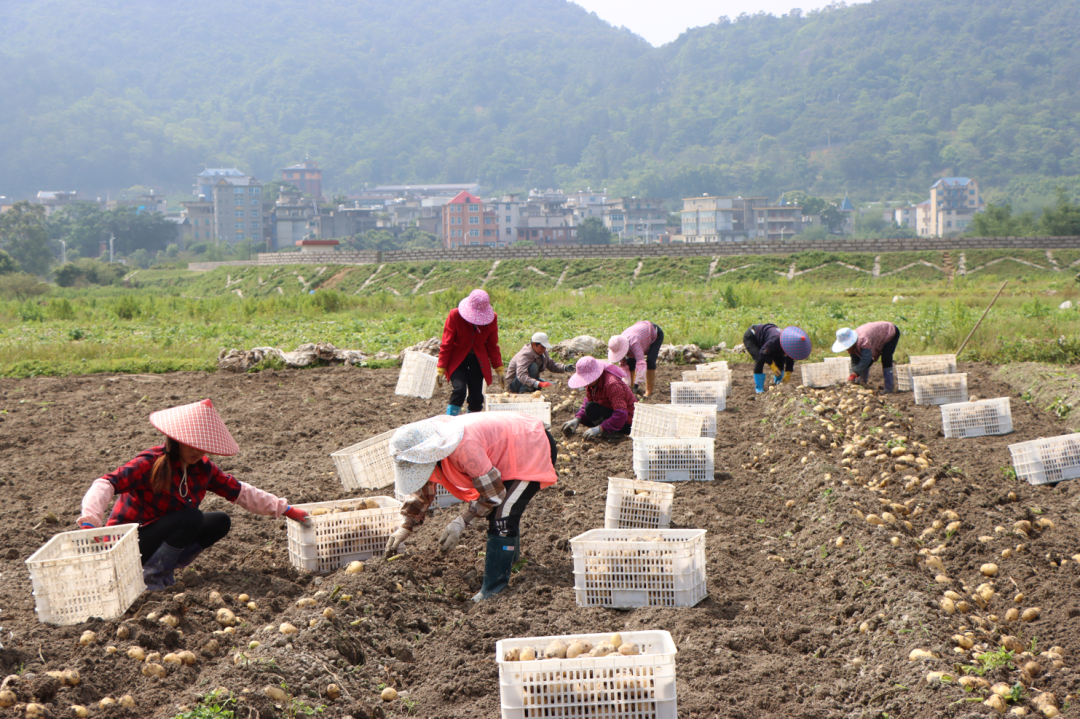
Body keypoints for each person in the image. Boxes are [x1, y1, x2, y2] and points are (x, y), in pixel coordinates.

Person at [76, 399, 312, 591]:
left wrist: (286, 509)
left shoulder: (204, 469)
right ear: (177, 439)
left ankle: (165, 566)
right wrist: (90, 521)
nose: (197, 451)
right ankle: (150, 576)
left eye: (203, 446)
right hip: (127, 544)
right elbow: (106, 483)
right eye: (192, 444)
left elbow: (240, 491)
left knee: (220, 521)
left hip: (158, 539)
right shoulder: (151, 462)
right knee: (191, 517)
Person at [383, 412, 558, 602]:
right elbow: (425, 486)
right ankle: (511, 562)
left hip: (532, 446)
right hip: (511, 449)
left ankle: (493, 589)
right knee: (500, 513)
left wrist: (461, 522)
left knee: (503, 515)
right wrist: (406, 525)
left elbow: (493, 495)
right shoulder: (434, 451)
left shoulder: (464, 449)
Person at [437, 289, 505, 415]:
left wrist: (499, 368)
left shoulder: (493, 318)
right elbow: (447, 343)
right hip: (458, 360)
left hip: (477, 361)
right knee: (459, 390)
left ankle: (472, 426)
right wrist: (441, 368)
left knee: (476, 398)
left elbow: (492, 345)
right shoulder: (455, 315)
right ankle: (449, 424)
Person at [561, 355, 636, 439]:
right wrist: (577, 419)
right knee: (585, 411)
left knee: (591, 408)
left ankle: (613, 433)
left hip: (627, 422)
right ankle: (606, 430)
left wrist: (600, 428)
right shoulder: (591, 384)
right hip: (610, 413)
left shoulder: (612, 384)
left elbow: (621, 414)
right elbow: (588, 402)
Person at [833, 322, 901, 393]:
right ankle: (862, 383)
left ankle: (889, 388)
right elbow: (855, 360)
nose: (847, 349)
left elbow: (866, 360)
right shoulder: (852, 347)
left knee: (886, 358)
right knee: (862, 360)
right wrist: (855, 372)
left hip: (889, 332)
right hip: (874, 334)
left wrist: (855, 373)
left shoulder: (863, 341)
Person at [743, 324, 812, 393]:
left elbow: (790, 357)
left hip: (768, 338)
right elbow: (763, 351)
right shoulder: (776, 340)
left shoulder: (790, 344)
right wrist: (772, 365)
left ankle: (779, 384)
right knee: (760, 359)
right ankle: (759, 388)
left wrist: (788, 372)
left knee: (780, 358)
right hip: (752, 336)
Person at [607, 321, 664, 397]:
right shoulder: (618, 345)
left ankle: (648, 392)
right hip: (640, 336)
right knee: (629, 362)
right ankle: (630, 389)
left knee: (650, 361)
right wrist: (627, 384)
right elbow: (624, 366)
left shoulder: (634, 342)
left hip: (654, 333)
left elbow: (641, 362)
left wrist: (637, 384)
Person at [504, 332, 571, 393]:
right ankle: (524, 392)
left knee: (553, 386)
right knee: (533, 366)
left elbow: (551, 364)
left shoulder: (543, 352)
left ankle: (531, 388)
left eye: (545, 347)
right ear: (534, 344)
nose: (544, 349)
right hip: (515, 384)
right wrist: (540, 384)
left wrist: (565, 367)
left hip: (531, 381)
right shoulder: (524, 355)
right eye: (542, 347)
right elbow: (521, 376)